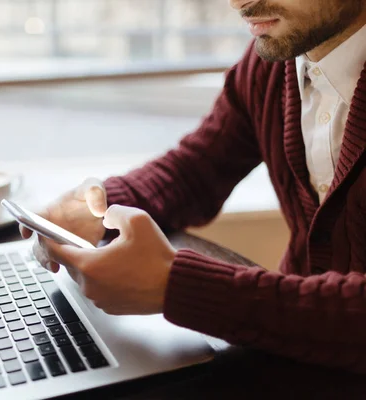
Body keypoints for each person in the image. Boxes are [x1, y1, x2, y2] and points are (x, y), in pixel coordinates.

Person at [20, 0, 366, 374]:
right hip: (294, 362)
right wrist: (95, 209)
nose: (237, 3)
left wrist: (180, 289)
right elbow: (196, 170)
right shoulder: (276, 58)